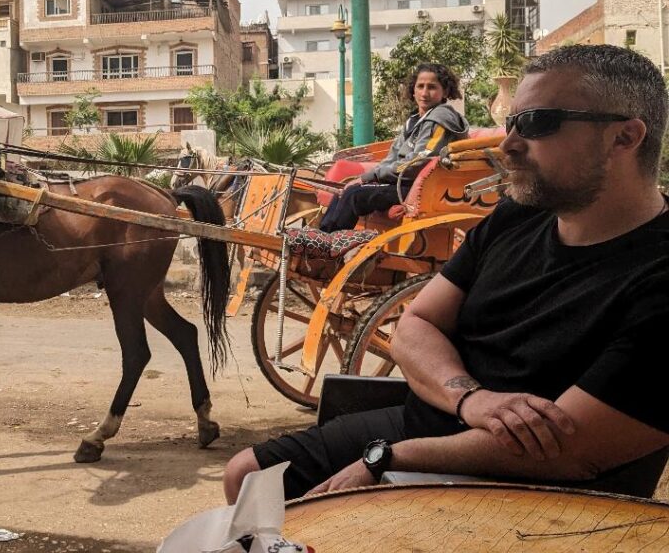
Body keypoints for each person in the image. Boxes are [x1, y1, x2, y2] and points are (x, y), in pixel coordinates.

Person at [226, 44, 669, 502]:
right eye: (511, 123)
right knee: (246, 477)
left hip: (532, 485)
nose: (508, 145)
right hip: (432, 421)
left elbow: (571, 450)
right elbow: (415, 324)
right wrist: (470, 398)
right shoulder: (516, 217)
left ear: (625, 137)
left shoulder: (655, 273)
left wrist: (389, 459)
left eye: (537, 123)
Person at [319, 63, 469, 233]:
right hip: (402, 182)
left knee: (354, 196)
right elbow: (392, 158)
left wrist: (371, 177)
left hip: (421, 188)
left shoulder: (441, 119)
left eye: (432, 87)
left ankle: (329, 247)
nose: (425, 93)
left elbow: (418, 163)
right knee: (344, 190)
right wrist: (367, 178)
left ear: (446, 91)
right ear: (413, 90)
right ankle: (323, 239)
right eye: (420, 86)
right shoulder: (413, 121)